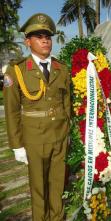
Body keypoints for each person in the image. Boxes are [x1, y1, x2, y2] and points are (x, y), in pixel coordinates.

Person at [3, 13, 70, 221]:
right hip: (34, 138)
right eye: (38, 36)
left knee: (58, 184)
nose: (44, 40)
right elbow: (12, 110)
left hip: (59, 136)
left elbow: (66, 103)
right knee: (39, 187)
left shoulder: (62, 68)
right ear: (27, 41)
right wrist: (17, 145)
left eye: (47, 36)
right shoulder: (17, 71)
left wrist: (67, 131)